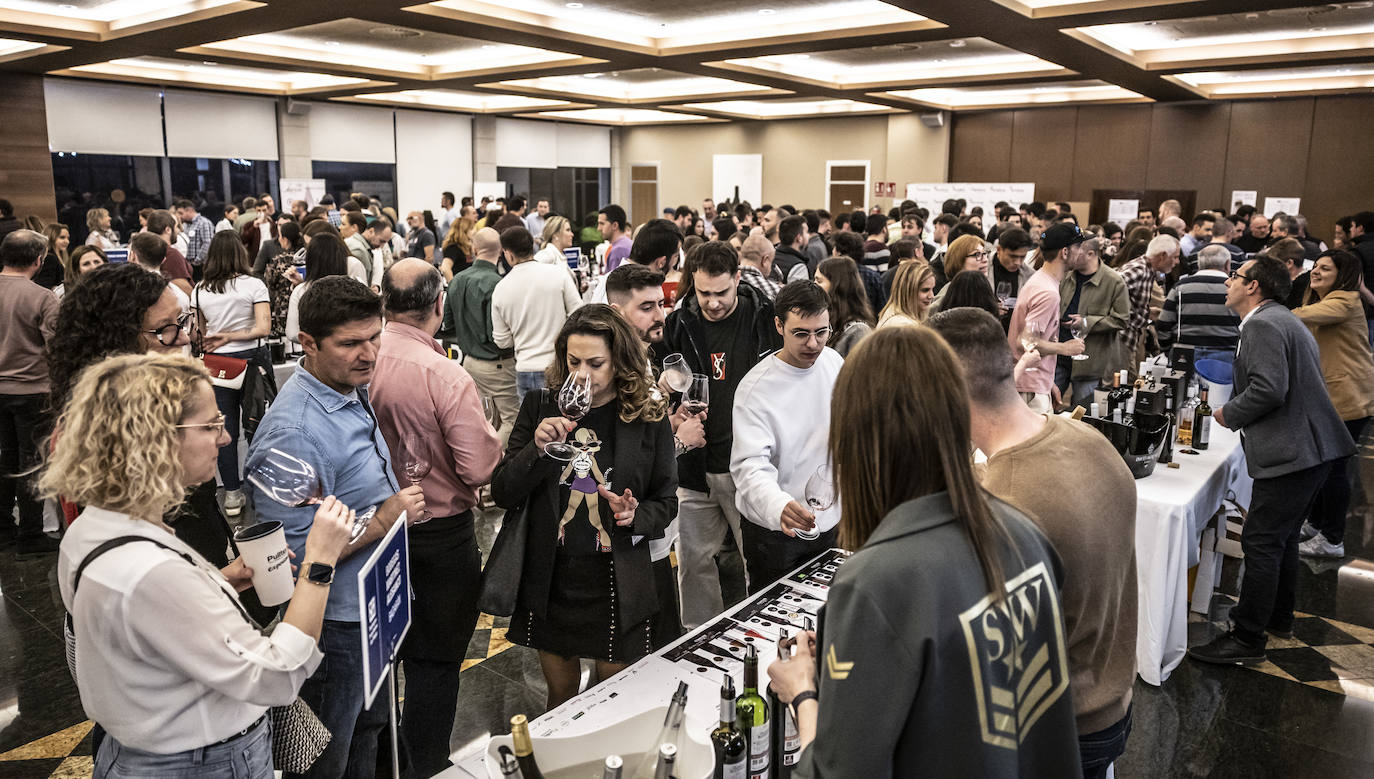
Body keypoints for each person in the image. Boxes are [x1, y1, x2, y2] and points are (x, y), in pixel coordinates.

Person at [765, 326, 1081, 777]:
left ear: (856, 438)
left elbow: (836, 771)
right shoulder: (1024, 531)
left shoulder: (876, 582)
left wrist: (803, 694)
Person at [44, 352, 356, 779]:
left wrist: (220, 578)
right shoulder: (150, 570)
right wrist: (320, 563)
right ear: (155, 439)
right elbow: (277, 675)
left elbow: (148, 625)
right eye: (210, 426)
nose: (225, 439)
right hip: (201, 763)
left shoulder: (93, 528)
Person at [930, 307, 1138, 777]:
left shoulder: (1002, 500)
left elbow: (977, 647)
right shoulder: (1085, 436)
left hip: (1057, 725)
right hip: (1112, 697)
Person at [247, 277, 425, 778]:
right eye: (350, 344)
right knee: (329, 757)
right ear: (307, 343)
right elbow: (292, 560)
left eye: (376, 337)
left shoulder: (345, 386)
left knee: (368, 735)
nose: (369, 354)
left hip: (372, 607)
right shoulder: (294, 433)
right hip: (334, 627)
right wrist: (384, 518)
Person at [491, 305, 678, 708]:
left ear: (620, 361)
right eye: (573, 362)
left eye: (596, 363)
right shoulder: (541, 406)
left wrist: (635, 515)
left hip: (616, 580)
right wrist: (536, 450)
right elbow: (504, 491)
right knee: (561, 697)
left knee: (613, 699)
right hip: (553, 578)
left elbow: (666, 501)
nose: (583, 375)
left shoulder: (647, 414)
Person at [1188, 257, 1356, 665]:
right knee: (1280, 538)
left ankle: (1246, 639)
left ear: (1254, 286)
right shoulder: (1283, 319)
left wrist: (1229, 414)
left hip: (1294, 451)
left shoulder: (1263, 324)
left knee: (1261, 541)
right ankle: (1276, 617)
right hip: (1312, 448)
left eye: (1235, 277)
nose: (1228, 282)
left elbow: (1268, 389)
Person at [371, 260, 502, 777]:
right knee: (436, 661)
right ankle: (423, 763)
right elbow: (478, 465)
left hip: (372, 534)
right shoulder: (445, 374)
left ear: (384, 303)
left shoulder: (363, 358)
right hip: (440, 535)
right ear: (438, 305)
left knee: (380, 663)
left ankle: (384, 763)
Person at [663, 240, 782, 629]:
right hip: (695, 466)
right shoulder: (680, 324)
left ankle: (759, 635)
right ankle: (698, 638)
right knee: (694, 562)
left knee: (756, 558)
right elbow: (661, 382)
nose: (712, 302)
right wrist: (668, 401)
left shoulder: (765, 319)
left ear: (737, 279)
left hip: (747, 465)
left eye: (721, 292)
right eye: (703, 293)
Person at [605, 264, 704, 648]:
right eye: (646, 307)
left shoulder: (642, 358)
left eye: (661, 303)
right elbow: (624, 463)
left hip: (654, 527)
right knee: (644, 647)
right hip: (635, 532)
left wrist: (669, 425)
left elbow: (645, 439)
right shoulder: (616, 369)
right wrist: (679, 442)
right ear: (617, 312)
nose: (660, 315)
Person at [732, 281, 843, 589]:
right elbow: (748, 466)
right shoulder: (756, 389)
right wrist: (778, 505)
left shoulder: (834, 362)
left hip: (831, 519)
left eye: (822, 332)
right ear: (779, 325)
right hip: (776, 533)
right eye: (801, 333)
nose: (813, 344)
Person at [1293, 250, 1374, 559]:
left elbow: (1302, 317)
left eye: (1325, 269)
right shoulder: (1323, 300)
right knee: (1322, 464)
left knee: (1334, 468)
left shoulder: (1346, 300)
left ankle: (1332, 539)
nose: (1316, 272)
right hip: (1333, 396)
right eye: (1316, 267)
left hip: (1349, 397)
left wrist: (1268, 311)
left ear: (1342, 275)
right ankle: (1315, 524)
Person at [192, 232, 271, 516]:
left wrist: (221, 335)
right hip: (252, 360)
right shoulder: (254, 285)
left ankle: (232, 494)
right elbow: (263, 328)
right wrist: (232, 335)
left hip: (216, 365)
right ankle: (263, 491)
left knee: (224, 429)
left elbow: (198, 335)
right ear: (240, 253)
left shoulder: (199, 289)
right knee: (258, 427)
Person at [0, 230, 59, 554]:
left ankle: (3, 529)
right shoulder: (42, 297)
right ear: (39, 260)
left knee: (4, 459)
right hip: (33, 389)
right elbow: (55, 349)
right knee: (32, 463)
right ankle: (31, 536)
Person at [492, 227, 583, 403]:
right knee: (564, 424)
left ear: (508, 254)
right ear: (532, 246)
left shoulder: (500, 288)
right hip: (557, 364)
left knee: (532, 427)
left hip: (524, 367)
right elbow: (578, 315)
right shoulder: (557, 274)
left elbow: (502, 342)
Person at [1009, 224, 1086, 412]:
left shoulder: (1041, 281)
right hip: (1030, 388)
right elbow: (1026, 341)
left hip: (1034, 383)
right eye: (1079, 247)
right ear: (1065, 252)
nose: (1082, 253)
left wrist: (1049, 381)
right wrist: (1065, 348)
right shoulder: (1047, 292)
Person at [1057, 236, 1129, 409]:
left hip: (1090, 362)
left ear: (1090, 254)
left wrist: (1087, 322)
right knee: (1046, 409)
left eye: (1075, 251)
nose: (1069, 255)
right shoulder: (1066, 276)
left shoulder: (1114, 281)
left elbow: (1122, 319)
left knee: (1083, 415)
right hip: (1060, 355)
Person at [1156, 244, 1239, 358]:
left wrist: (1168, 351)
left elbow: (1163, 324)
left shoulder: (1180, 287)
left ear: (1199, 264)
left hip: (1184, 354)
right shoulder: (1235, 289)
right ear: (1227, 264)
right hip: (1226, 354)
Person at [1118, 234, 1180, 369]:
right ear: (1162, 256)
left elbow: (1129, 300)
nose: (1177, 262)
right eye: (1175, 257)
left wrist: (1147, 313)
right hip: (1120, 340)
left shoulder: (1147, 270)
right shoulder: (1139, 270)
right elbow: (1109, 290)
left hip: (1127, 340)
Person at [285, 232, 350, 344]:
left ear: (310, 260)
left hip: (317, 354)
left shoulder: (302, 291)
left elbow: (292, 333)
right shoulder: (357, 285)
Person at [814, 257, 873, 357]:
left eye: (819, 281)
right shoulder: (825, 320)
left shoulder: (858, 331)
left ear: (837, 286)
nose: (814, 285)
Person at [986, 227, 1033, 329]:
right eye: (1013, 256)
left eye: (1022, 257)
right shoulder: (982, 269)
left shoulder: (1030, 275)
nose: (1018, 262)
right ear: (999, 249)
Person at [877, 260, 935, 328]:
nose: (931, 296)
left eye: (932, 289)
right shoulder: (903, 325)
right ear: (908, 290)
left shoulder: (898, 315)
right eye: (925, 290)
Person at [774, 215, 812, 283]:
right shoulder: (798, 268)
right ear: (799, 238)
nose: (809, 235)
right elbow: (800, 293)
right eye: (807, 232)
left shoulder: (770, 256)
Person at [440, 211, 476, 281]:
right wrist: (453, 286)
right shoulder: (453, 247)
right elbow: (445, 268)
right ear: (464, 231)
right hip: (460, 286)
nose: (474, 231)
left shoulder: (467, 246)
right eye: (471, 229)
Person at [598, 204, 632, 272]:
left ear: (615, 225)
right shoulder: (625, 244)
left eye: (602, 224)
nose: (598, 228)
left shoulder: (619, 250)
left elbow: (614, 282)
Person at [36, 222, 69, 289]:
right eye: (62, 237)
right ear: (51, 238)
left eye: (68, 238)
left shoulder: (61, 256)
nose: (67, 241)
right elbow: (45, 285)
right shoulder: (49, 258)